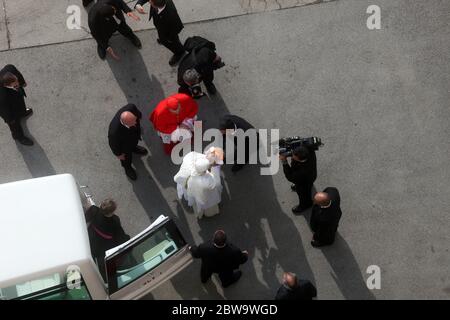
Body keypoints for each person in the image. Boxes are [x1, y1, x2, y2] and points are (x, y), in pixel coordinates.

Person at [85, 198, 130, 279]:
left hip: (91, 240)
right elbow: (120, 237)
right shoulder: (114, 221)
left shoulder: (94, 210)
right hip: (102, 249)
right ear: (112, 212)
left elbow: (86, 217)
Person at [174, 147, 224, 218]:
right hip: (203, 194)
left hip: (189, 186)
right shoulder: (207, 179)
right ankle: (209, 212)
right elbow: (215, 185)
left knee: (196, 202)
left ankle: (199, 213)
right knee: (207, 202)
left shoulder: (191, 156)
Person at [135, 0, 185, 66]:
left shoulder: (171, 14)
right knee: (162, 36)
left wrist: (169, 39)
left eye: (150, 1)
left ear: (154, 5)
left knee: (173, 42)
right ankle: (163, 39)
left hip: (169, 33)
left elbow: (177, 27)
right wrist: (138, 4)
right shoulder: (158, 3)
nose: (149, 1)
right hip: (161, 26)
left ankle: (180, 52)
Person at [108, 103, 148, 180]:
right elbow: (113, 144)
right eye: (133, 123)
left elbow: (138, 114)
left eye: (135, 119)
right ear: (125, 123)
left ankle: (134, 148)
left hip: (132, 138)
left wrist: (138, 117)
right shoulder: (114, 132)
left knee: (134, 142)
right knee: (126, 158)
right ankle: (128, 168)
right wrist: (119, 154)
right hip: (124, 147)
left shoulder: (131, 108)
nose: (136, 123)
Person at [0, 65, 34, 146]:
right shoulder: (1, 95)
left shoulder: (9, 68)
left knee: (21, 104)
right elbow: (3, 109)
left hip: (16, 97)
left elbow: (18, 74)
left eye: (17, 81)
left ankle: (22, 113)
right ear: (6, 85)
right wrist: (10, 120)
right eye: (15, 85)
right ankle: (19, 137)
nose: (17, 84)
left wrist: (22, 82)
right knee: (14, 125)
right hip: (7, 108)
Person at [280, 145, 317, 214]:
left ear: (299, 159)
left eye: (293, 156)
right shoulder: (307, 150)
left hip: (304, 182)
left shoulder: (302, 172)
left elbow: (290, 177)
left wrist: (284, 161)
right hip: (311, 175)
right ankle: (304, 186)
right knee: (306, 184)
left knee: (303, 194)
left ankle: (306, 205)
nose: (291, 156)